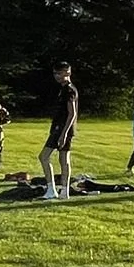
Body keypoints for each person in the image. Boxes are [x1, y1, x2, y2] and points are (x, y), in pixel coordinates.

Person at [38, 63, 78, 199]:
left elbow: (72, 113)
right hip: (59, 127)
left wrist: (64, 133)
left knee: (44, 156)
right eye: (55, 73)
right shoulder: (62, 89)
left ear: (67, 72)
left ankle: (53, 189)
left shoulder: (69, 90)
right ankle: (62, 191)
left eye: (59, 73)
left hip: (61, 128)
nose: (57, 76)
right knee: (63, 159)